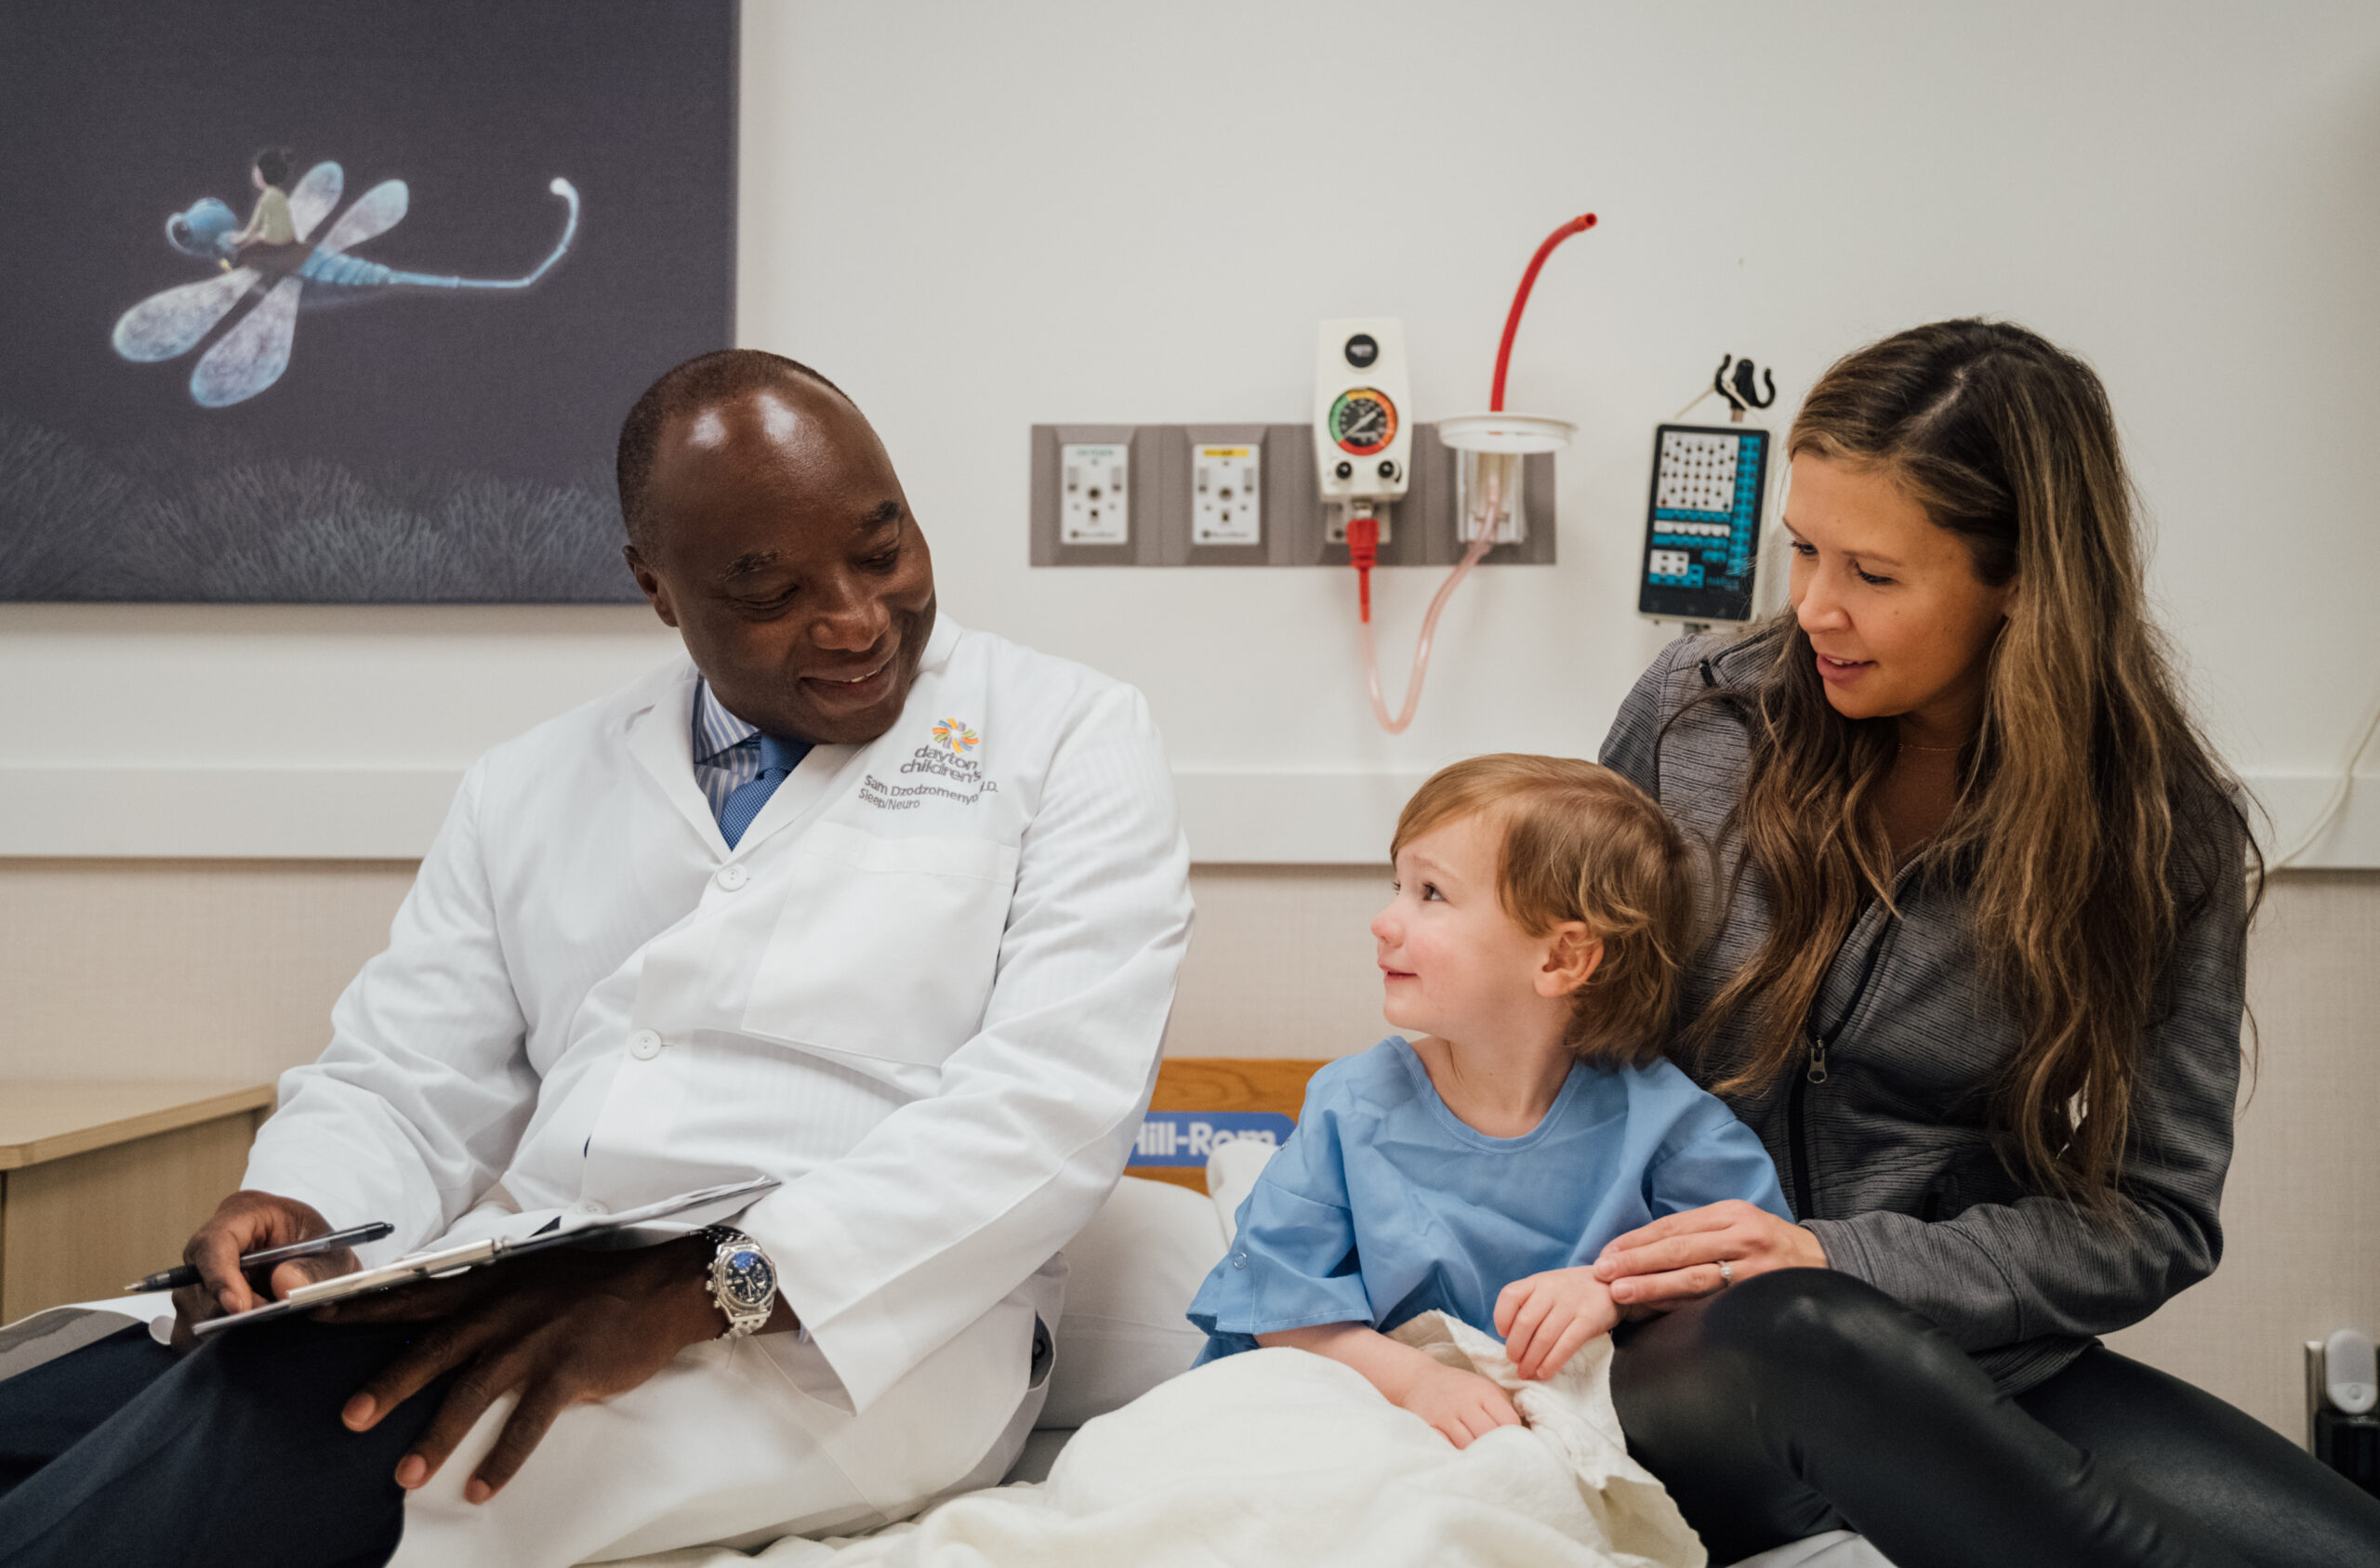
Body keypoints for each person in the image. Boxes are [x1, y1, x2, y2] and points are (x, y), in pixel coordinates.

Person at [0, 349, 1194, 1567]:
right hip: (531, 1266)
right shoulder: (528, 780)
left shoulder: (1072, 737)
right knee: (47, 1404)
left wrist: (696, 1285)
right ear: (658, 588)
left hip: (852, 1339)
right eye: (768, 586)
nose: (852, 616)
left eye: (882, 551)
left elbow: (1048, 1111)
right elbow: (404, 1075)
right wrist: (309, 1208)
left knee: (288, 1421)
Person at [1592, 319, 2380, 1566]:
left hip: (1963, 1351)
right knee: (1806, 1323)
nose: (1814, 608)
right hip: (1675, 1337)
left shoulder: (2159, 830)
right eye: (1803, 550)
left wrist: (1834, 1247)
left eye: (1876, 573)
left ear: (2020, 577)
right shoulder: (1696, 714)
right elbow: (1557, 1018)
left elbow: (2155, 1215)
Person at [1186, 755, 1789, 1449]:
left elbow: (1750, 1292)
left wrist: (1613, 1293)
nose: (1384, 920)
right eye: (1398, 885)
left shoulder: (1673, 1132)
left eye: (1431, 893)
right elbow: (1282, 1310)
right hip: (1357, 1406)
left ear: (1562, 958)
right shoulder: (1350, 1108)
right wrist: (1420, 1384)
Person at [222, 146, 298, 261]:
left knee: (241, 253)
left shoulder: (265, 199)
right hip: (289, 238)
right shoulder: (281, 195)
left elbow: (251, 228)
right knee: (256, 238)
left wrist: (237, 240)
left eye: (255, 170)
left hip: (273, 241)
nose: (253, 174)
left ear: (262, 174)